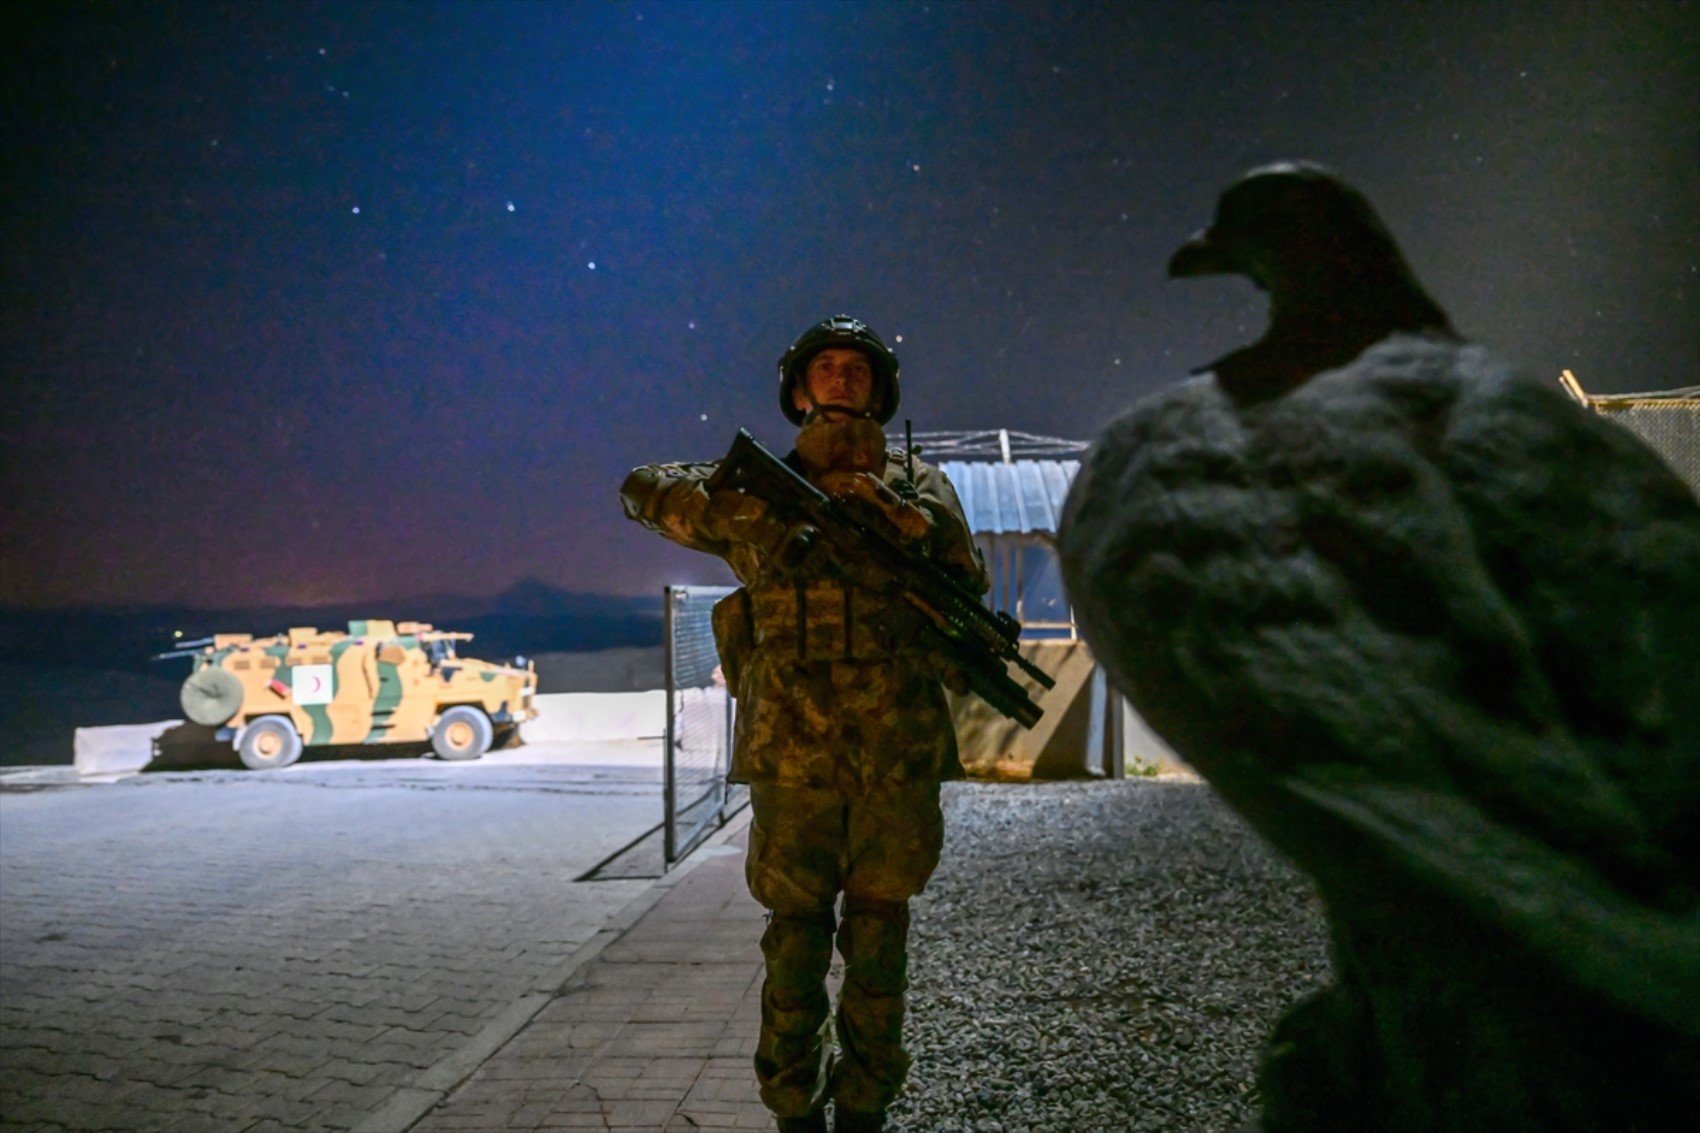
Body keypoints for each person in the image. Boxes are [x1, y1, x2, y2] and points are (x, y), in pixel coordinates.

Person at [620, 315, 988, 1133]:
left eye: (858, 366)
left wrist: (909, 531)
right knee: (793, 943)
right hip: (792, 755)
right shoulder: (759, 485)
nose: (843, 377)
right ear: (798, 387)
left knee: (881, 941)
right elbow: (641, 487)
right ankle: (793, 1105)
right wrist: (742, 516)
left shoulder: (921, 485)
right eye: (825, 365)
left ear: (880, 388)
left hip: (896, 751)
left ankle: (865, 1105)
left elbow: (970, 591)